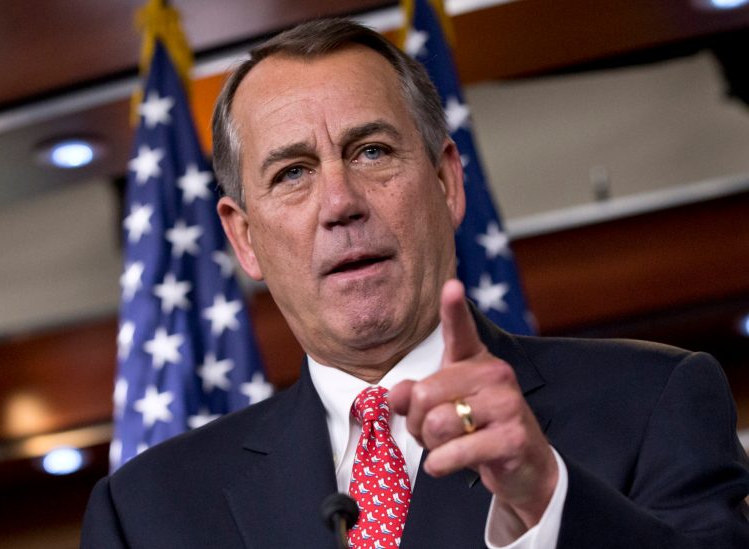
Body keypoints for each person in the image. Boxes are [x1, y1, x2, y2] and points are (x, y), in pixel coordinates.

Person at [81, 18, 749, 548]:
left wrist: (548, 499)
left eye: (371, 151)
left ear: (447, 181)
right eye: (292, 173)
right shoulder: (145, 512)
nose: (340, 201)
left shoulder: (654, 400)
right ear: (244, 238)